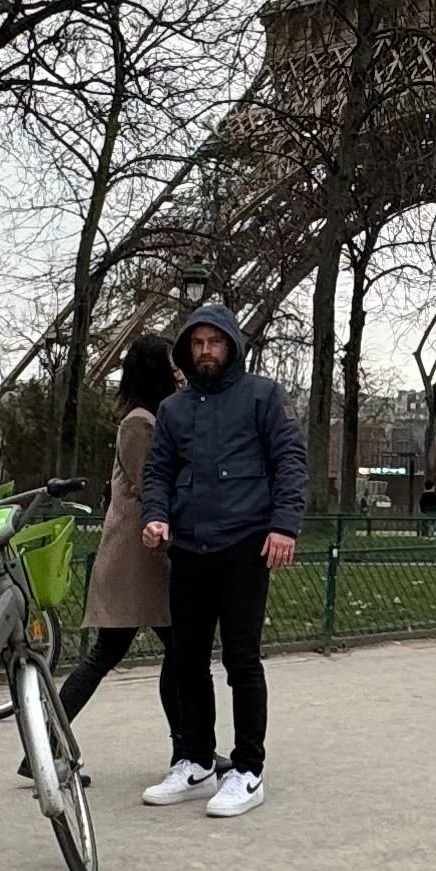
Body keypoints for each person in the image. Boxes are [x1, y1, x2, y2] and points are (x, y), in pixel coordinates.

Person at [138, 303, 308, 820]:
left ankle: (248, 769)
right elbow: (158, 473)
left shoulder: (263, 397)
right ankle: (195, 760)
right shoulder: (174, 409)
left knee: (241, 660)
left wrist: (284, 525)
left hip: (243, 544)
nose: (206, 350)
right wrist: (156, 515)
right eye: (197, 343)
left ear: (232, 345)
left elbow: (290, 462)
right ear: (187, 351)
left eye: (214, 341)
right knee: (187, 660)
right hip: (188, 546)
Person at [60, 333, 185, 738]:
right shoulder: (140, 423)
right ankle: (185, 747)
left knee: (116, 653)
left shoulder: (146, 419)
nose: (178, 371)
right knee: (170, 651)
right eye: (172, 363)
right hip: (139, 558)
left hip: (140, 558)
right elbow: (150, 486)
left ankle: (44, 746)